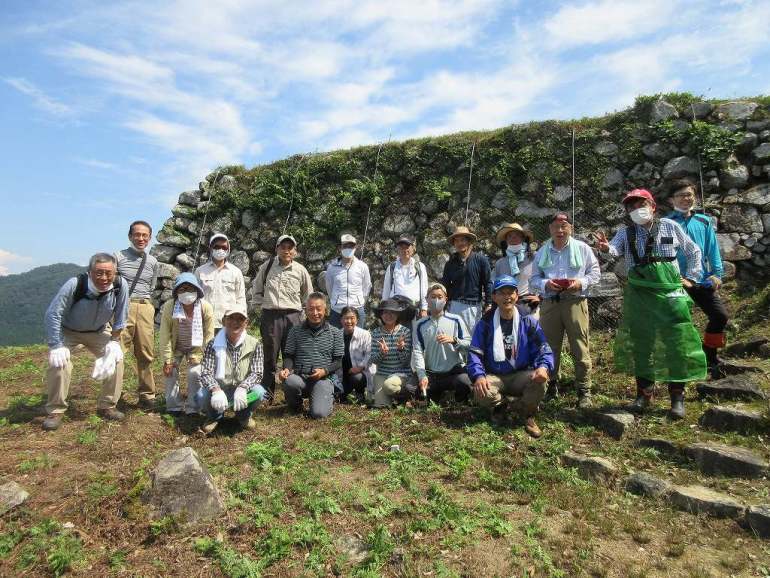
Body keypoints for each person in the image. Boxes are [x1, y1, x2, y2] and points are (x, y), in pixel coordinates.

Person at [596, 189, 706, 419]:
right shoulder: (626, 233)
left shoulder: (669, 226)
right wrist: (605, 248)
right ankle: (644, 394)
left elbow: (693, 251)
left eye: (641, 204)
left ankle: (677, 397)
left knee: (676, 341)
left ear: (653, 206)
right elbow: (613, 250)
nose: (637, 210)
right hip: (640, 294)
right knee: (642, 342)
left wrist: (692, 278)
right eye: (631, 207)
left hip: (670, 293)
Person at [42, 253, 129, 431]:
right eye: (99, 273)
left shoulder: (120, 285)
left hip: (98, 331)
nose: (104, 278)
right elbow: (53, 313)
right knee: (60, 363)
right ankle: (56, 410)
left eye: (108, 273)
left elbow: (121, 315)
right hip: (69, 331)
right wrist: (56, 345)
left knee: (116, 359)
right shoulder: (75, 284)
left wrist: (114, 340)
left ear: (115, 273)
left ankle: (108, 405)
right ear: (90, 272)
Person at [467, 276, 554, 438]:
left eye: (511, 292)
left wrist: (543, 367)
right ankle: (501, 406)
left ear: (517, 295)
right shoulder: (485, 323)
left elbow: (544, 348)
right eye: (502, 293)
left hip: (520, 374)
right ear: (494, 297)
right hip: (495, 375)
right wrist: (478, 375)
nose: (507, 297)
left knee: (540, 381)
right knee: (481, 392)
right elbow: (474, 353)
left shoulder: (528, 320)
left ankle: (526, 413)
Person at [530, 212, 601, 408]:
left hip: (575, 302)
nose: (560, 230)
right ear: (550, 229)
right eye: (555, 227)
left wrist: (580, 282)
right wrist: (546, 284)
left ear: (571, 228)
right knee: (549, 347)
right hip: (550, 303)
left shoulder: (583, 248)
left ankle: (584, 390)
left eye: (564, 226)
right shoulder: (542, 252)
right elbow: (534, 279)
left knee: (579, 345)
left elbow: (595, 272)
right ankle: (551, 385)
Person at [666, 178, 729, 379]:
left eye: (689, 194)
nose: (686, 198)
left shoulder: (704, 220)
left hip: (702, 280)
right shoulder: (666, 224)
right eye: (681, 195)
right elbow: (666, 253)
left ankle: (709, 355)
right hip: (677, 282)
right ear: (671, 200)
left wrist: (717, 274)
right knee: (680, 323)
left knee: (720, 316)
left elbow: (712, 249)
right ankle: (682, 362)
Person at [252, 234, 314, 399]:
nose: (286, 250)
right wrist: (261, 308)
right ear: (277, 249)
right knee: (270, 356)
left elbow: (309, 295)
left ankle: (290, 394)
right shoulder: (268, 266)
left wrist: (305, 315)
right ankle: (267, 394)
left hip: (293, 317)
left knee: (291, 355)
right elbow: (257, 288)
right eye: (283, 247)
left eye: (290, 247)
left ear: (295, 251)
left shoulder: (300, 270)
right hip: (270, 316)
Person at [197, 305, 266, 433]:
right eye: (231, 318)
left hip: (242, 390)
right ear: (224, 321)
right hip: (221, 388)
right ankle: (214, 417)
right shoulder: (213, 344)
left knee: (259, 392)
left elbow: (257, 373)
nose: (235, 322)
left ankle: (243, 416)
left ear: (246, 323)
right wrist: (216, 389)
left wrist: (243, 387)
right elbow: (206, 372)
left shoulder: (255, 344)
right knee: (201, 395)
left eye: (240, 319)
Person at [278, 292, 344, 418]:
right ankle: (296, 406)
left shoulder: (335, 333)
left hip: (323, 379)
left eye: (318, 309)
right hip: (300, 377)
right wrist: (286, 369)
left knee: (319, 414)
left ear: (325, 310)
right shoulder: (295, 331)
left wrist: (325, 371)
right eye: (311, 309)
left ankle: (323, 398)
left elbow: (338, 361)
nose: (315, 313)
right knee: (290, 381)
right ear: (305, 310)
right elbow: (288, 355)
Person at [116, 220, 159, 409]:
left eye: (145, 235)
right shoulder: (118, 257)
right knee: (117, 352)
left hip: (145, 306)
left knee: (145, 353)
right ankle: (112, 396)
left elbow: (152, 286)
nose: (141, 238)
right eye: (137, 234)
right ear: (130, 236)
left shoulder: (153, 262)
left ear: (149, 238)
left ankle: (147, 394)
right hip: (123, 307)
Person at [159, 273, 215, 415]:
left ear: (197, 290)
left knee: (195, 373)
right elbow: (165, 335)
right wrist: (167, 360)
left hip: (196, 348)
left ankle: (193, 407)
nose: (186, 293)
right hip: (175, 346)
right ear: (176, 292)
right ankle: (174, 406)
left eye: (190, 289)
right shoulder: (170, 306)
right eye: (182, 289)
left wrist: (200, 355)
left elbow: (209, 336)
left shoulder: (205, 307)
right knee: (170, 372)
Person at [412, 283, 472, 404]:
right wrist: (422, 375)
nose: (436, 300)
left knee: (464, 381)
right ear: (427, 299)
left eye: (440, 297)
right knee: (410, 388)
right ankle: (439, 397)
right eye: (433, 297)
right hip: (431, 374)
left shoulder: (456, 320)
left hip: (453, 372)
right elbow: (417, 351)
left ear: (446, 299)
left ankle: (460, 402)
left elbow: (469, 344)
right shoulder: (420, 324)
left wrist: (455, 341)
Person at [441, 225, 493, 334]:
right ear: (454, 244)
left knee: (472, 339)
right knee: (453, 337)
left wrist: (489, 304)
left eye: (463, 240)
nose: (460, 243)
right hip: (454, 305)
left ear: (469, 241)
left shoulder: (481, 260)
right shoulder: (450, 264)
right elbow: (445, 286)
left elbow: (488, 283)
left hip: (473, 307)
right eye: (457, 240)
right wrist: (444, 306)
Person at [368, 299, 415, 407]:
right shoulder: (375, 333)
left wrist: (400, 349)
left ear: (398, 315)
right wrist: (382, 353)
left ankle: (405, 397)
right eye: (385, 312)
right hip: (382, 374)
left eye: (392, 312)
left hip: (401, 374)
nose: (389, 315)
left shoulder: (405, 332)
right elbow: (374, 360)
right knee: (381, 406)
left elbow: (406, 362)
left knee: (389, 386)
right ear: (381, 315)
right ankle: (392, 398)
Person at [195, 233, 247, 331]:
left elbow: (241, 299)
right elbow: (195, 297)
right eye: (217, 247)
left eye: (224, 247)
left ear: (228, 250)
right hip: (205, 323)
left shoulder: (236, 272)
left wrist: (240, 321)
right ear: (210, 248)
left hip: (229, 324)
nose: (220, 250)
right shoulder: (200, 271)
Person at [325, 234, 372, 328]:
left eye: (351, 246)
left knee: (357, 341)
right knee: (336, 341)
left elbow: (366, 287)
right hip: (337, 312)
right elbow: (329, 288)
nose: (348, 248)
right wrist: (337, 302)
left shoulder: (362, 267)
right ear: (340, 247)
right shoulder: (332, 267)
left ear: (356, 247)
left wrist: (359, 302)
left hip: (357, 311)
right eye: (345, 246)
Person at [493, 222, 540, 316]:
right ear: (506, 240)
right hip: (506, 304)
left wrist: (540, 297)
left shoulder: (534, 257)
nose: (513, 238)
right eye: (509, 236)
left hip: (529, 304)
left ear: (523, 238)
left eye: (517, 235)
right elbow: (493, 283)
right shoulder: (500, 263)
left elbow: (545, 275)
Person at [381, 236, 429, 320]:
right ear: (397, 250)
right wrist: (385, 308)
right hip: (395, 309)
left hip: (414, 309)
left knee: (413, 332)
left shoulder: (420, 266)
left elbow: (424, 289)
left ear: (413, 249)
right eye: (401, 248)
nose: (405, 250)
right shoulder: (392, 267)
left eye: (407, 247)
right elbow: (386, 289)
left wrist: (424, 308)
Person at [337, 306, 372, 403]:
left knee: (357, 378)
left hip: (358, 373)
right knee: (339, 397)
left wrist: (360, 367)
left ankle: (360, 393)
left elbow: (369, 355)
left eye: (352, 318)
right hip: (342, 374)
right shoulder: (337, 335)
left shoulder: (364, 334)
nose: (349, 321)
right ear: (341, 320)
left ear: (357, 320)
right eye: (346, 318)